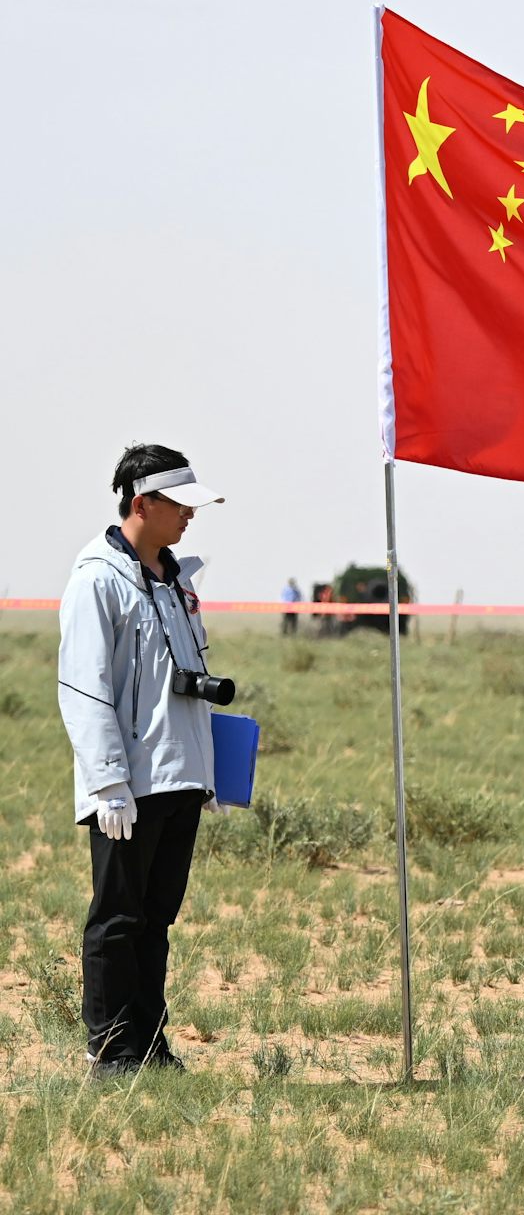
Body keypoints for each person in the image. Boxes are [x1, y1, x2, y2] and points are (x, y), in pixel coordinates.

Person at [57, 444, 228, 1079]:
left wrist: (206, 769)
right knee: (118, 918)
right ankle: (110, 1049)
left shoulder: (179, 578)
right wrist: (107, 782)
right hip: (127, 784)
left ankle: (150, 1046)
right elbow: (83, 686)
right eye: (180, 505)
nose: (190, 516)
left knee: (157, 919)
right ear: (142, 503)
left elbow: (187, 678)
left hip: (181, 775)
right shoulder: (97, 578)